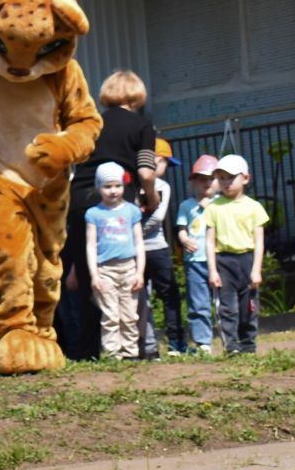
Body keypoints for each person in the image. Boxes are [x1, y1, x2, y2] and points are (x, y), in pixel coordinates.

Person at [60, 69, 160, 360]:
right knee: (124, 270)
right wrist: (151, 198)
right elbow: (145, 171)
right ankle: (130, 347)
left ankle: (86, 348)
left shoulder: (91, 124)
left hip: (80, 198)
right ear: (137, 94)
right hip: (117, 200)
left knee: (88, 271)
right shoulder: (142, 126)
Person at [204, 153, 268, 355]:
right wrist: (213, 270)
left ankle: (248, 345)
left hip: (247, 260)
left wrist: (256, 269)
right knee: (227, 307)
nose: (226, 182)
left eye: (231, 177)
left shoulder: (254, 207)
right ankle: (231, 346)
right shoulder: (213, 207)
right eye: (221, 178)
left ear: (245, 178)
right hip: (224, 261)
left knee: (249, 306)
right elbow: (209, 240)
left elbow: (259, 241)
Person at [84, 162, 146, 362]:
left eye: (117, 185)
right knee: (110, 315)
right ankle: (112, 354)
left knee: (129, 314)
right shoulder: (93, 214)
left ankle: (131, 353)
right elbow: (91, 245)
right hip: (105, 270)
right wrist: (94, 275)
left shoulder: (131, 211)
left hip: (129, 267)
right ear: (98, 187)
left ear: (124, 185)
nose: (113, 191)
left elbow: (139, 243)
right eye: (107, 186)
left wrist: (139, 272)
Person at [136, 139, 184, 359]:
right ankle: (148, 346)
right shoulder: (133, 186)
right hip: (139, 251)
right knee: (140, 297)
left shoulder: (162, 187)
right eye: (165, 162)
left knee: (169, 294)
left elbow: (158, 217)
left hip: (156, 247)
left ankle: (175, 342)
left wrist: (134, 233)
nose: (165, 169)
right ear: (155, 160)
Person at [175, 155, 219, 353]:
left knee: (223, 301)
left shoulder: (221, 204)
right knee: (198, 303)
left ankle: (229, 336)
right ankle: (203, 342)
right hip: (194, 260)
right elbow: (181, 228)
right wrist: (184, 240)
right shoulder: (187, 206)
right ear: (193, 181)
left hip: (218, 259)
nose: (207, 183)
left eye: (211, 178)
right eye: (202, 179)